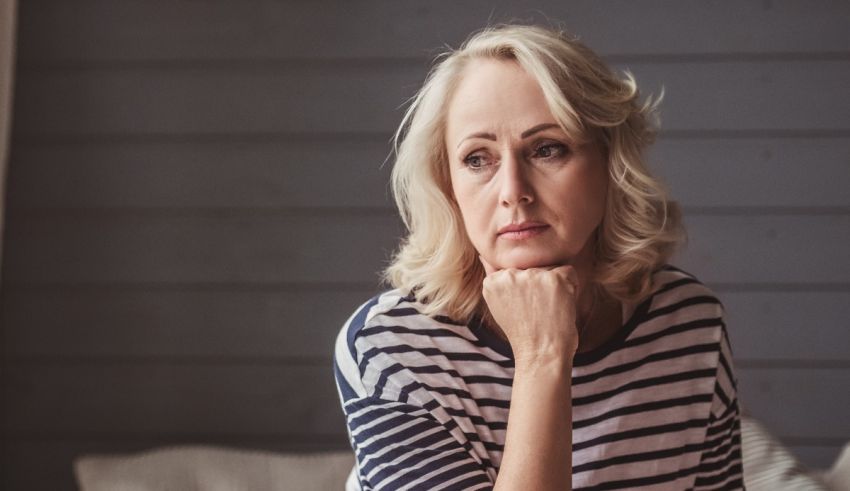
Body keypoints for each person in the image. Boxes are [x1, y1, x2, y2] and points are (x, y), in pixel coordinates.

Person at [333, 23, 744, 490]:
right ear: (447, 185)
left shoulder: (688, 322)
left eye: (547, 149)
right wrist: (543, 356)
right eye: (477, 159)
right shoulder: (389, 347)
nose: (513, 192)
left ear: (611, 164)